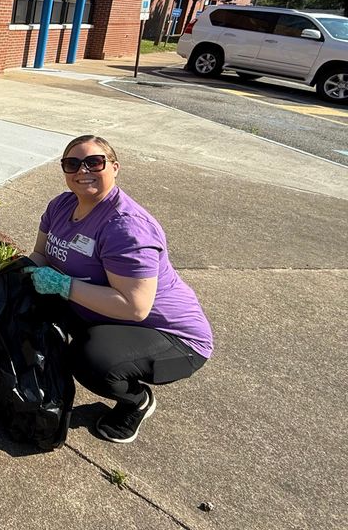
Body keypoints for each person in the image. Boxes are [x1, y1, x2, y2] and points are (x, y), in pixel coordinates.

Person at [24, 135, 213, 443]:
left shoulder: (126, 228)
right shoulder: (60, 206)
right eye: (72, 164)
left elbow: (134, 307)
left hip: (168, 334)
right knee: (32, 307)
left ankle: (137, 401)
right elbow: (41, 255)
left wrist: (62, 285)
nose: (82, 170)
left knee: (89, 357)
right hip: (105, 312)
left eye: (94, 162)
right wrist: (17, 274)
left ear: (114, 167)